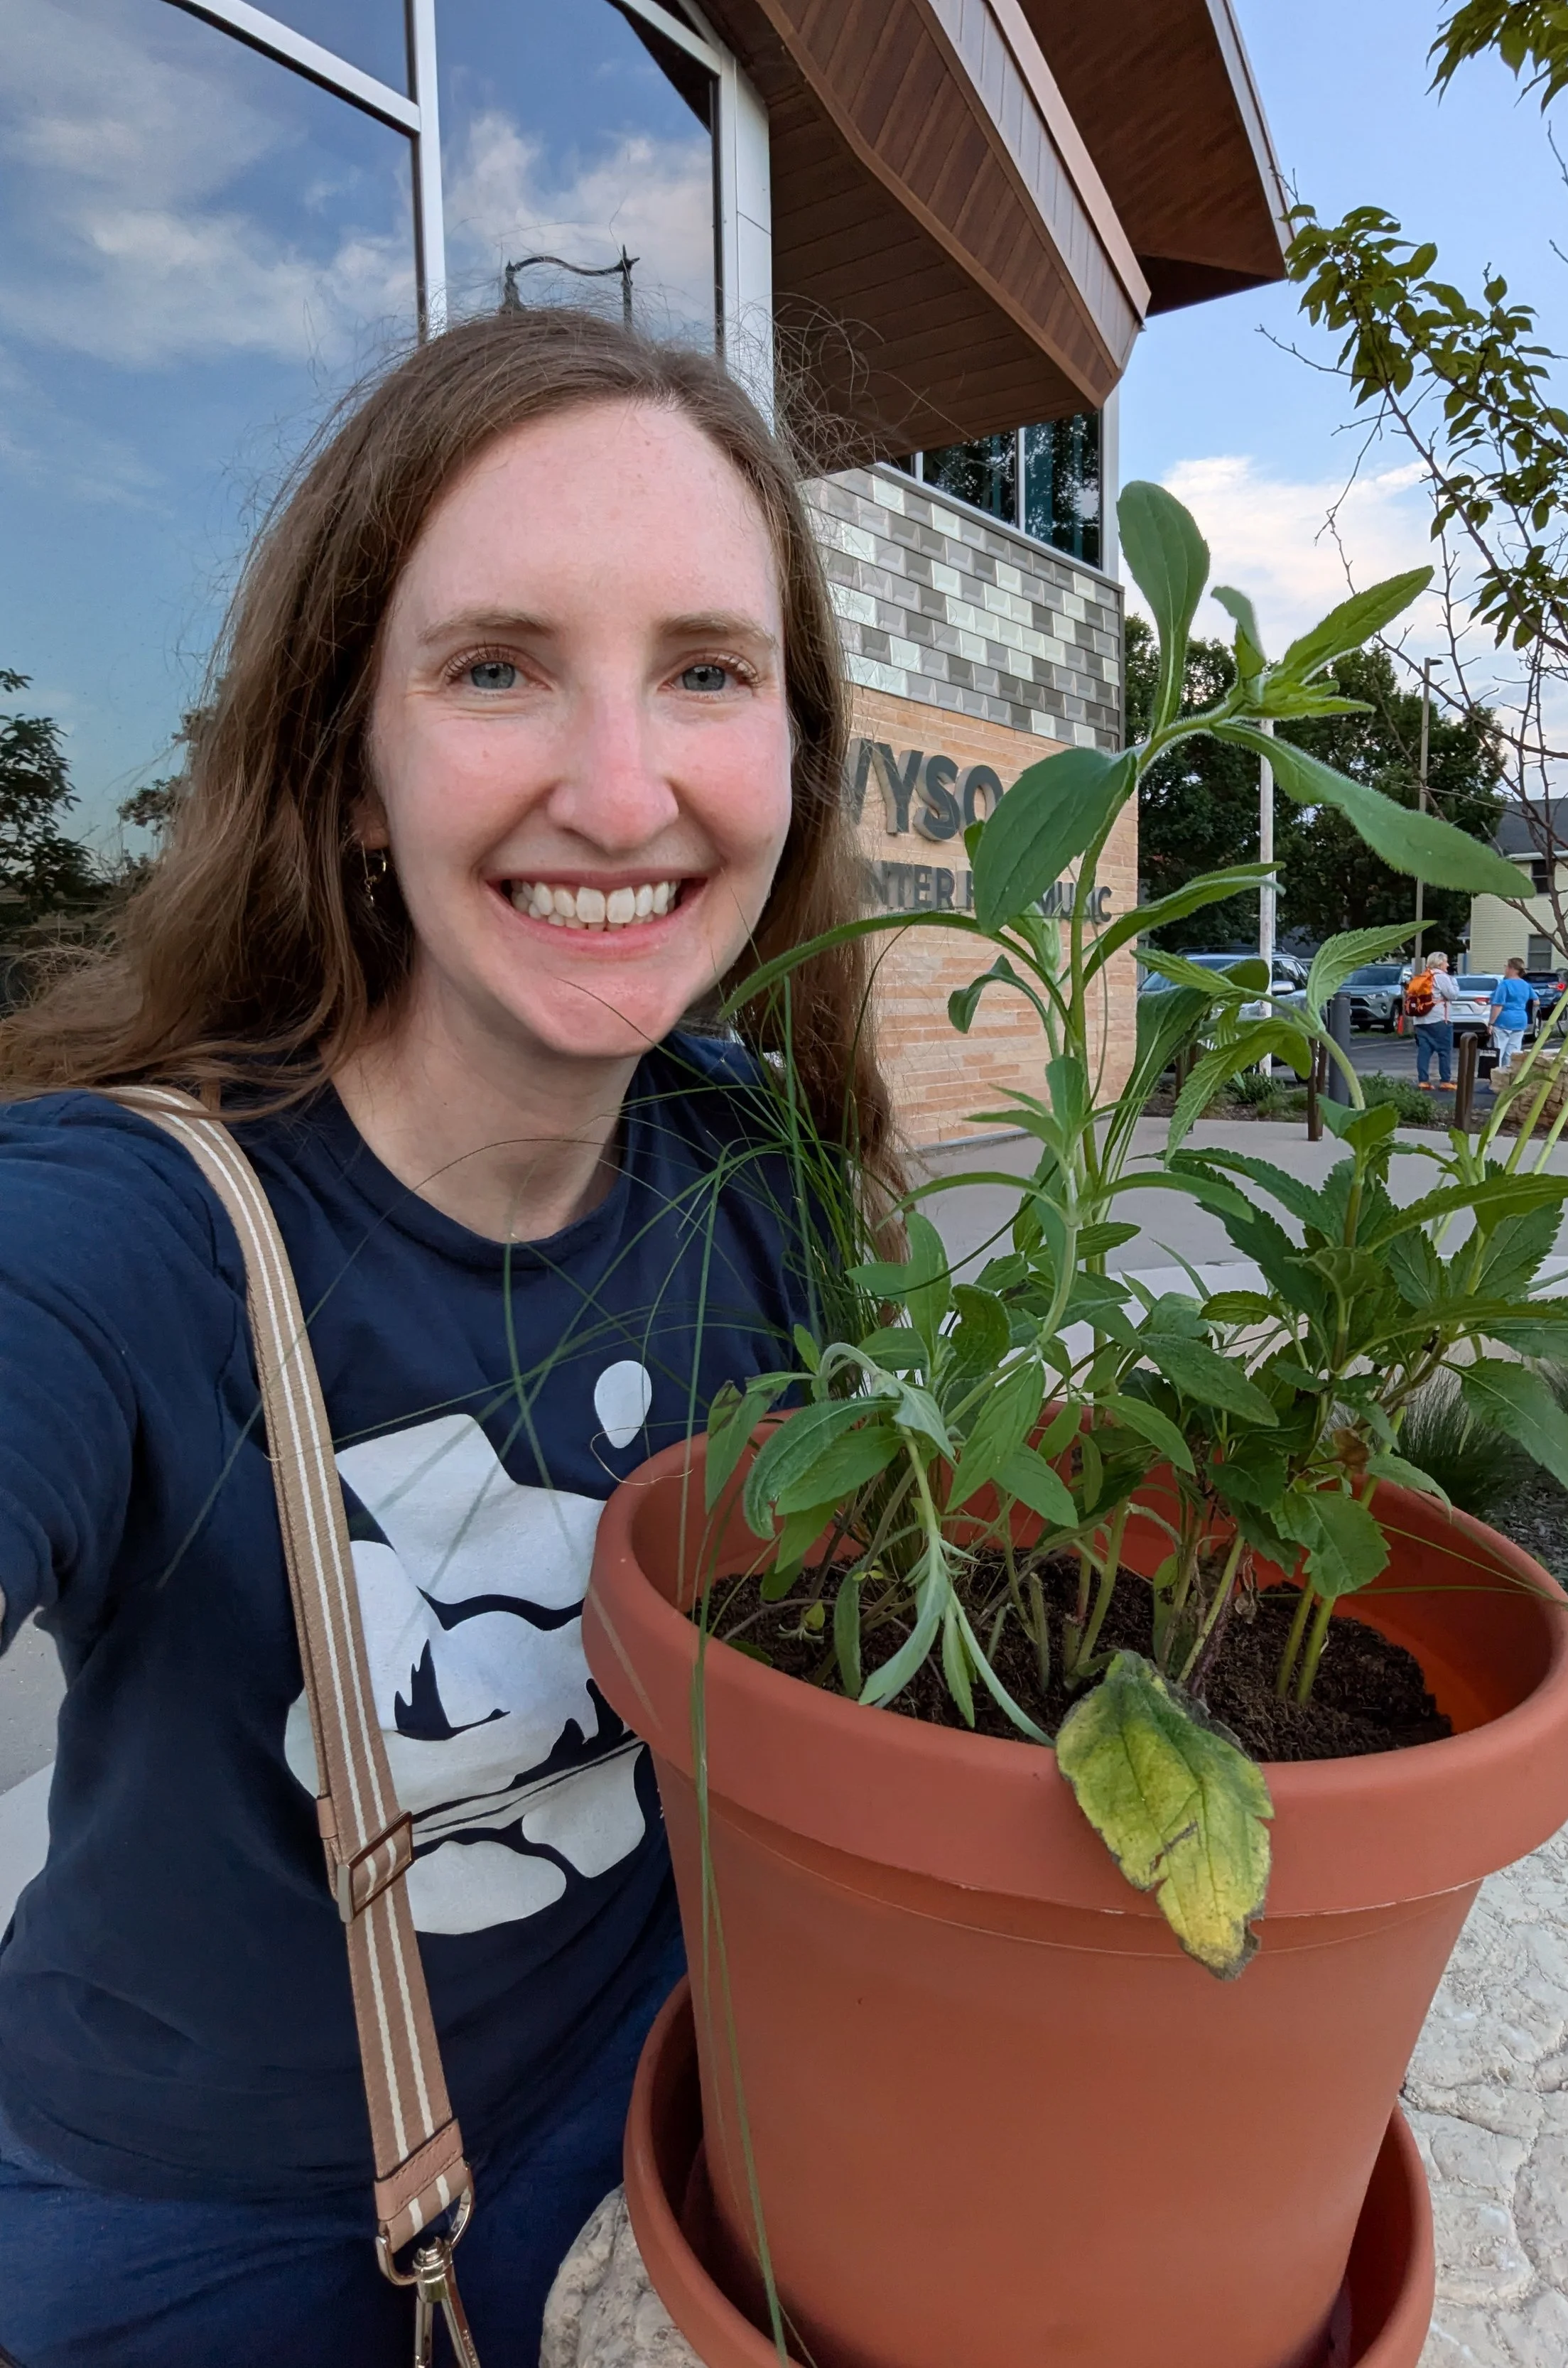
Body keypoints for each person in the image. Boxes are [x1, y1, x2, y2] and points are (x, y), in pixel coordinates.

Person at [0, 310, 892, 2368]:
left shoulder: (746, 1153)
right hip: (192, 2235)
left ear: (791, 749)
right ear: (347, 766)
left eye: (704, 670)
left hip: (668, 2095)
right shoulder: (122, 1230)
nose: (620, 785)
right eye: (496, 666)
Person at [1409, 949, 1459, 1089]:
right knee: (1444, 1051)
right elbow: (1453, 995)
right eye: (1446, 962)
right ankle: (1445, 1081)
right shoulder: (1441, 976)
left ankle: (1423, 1081)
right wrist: (1453, 982)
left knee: (1424, 1051)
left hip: (1420, 1020)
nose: (1448, 965)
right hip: (1439, 1019)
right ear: (1440, 962)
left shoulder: (1421, 976)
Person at [1488, 956, 1538, 1074]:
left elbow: (1498, 1005)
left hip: (1504, 1020)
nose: (1505, 969)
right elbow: (1536, 1001)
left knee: (1498, 1052)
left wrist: (1491, 1023)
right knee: (1513, 1053)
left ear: (1512, 969)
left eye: (1507, 967)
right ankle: (1508, 1079)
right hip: (1520, 1020)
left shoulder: (1505, 985)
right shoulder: (1526, 985)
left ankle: (1496, 1079)